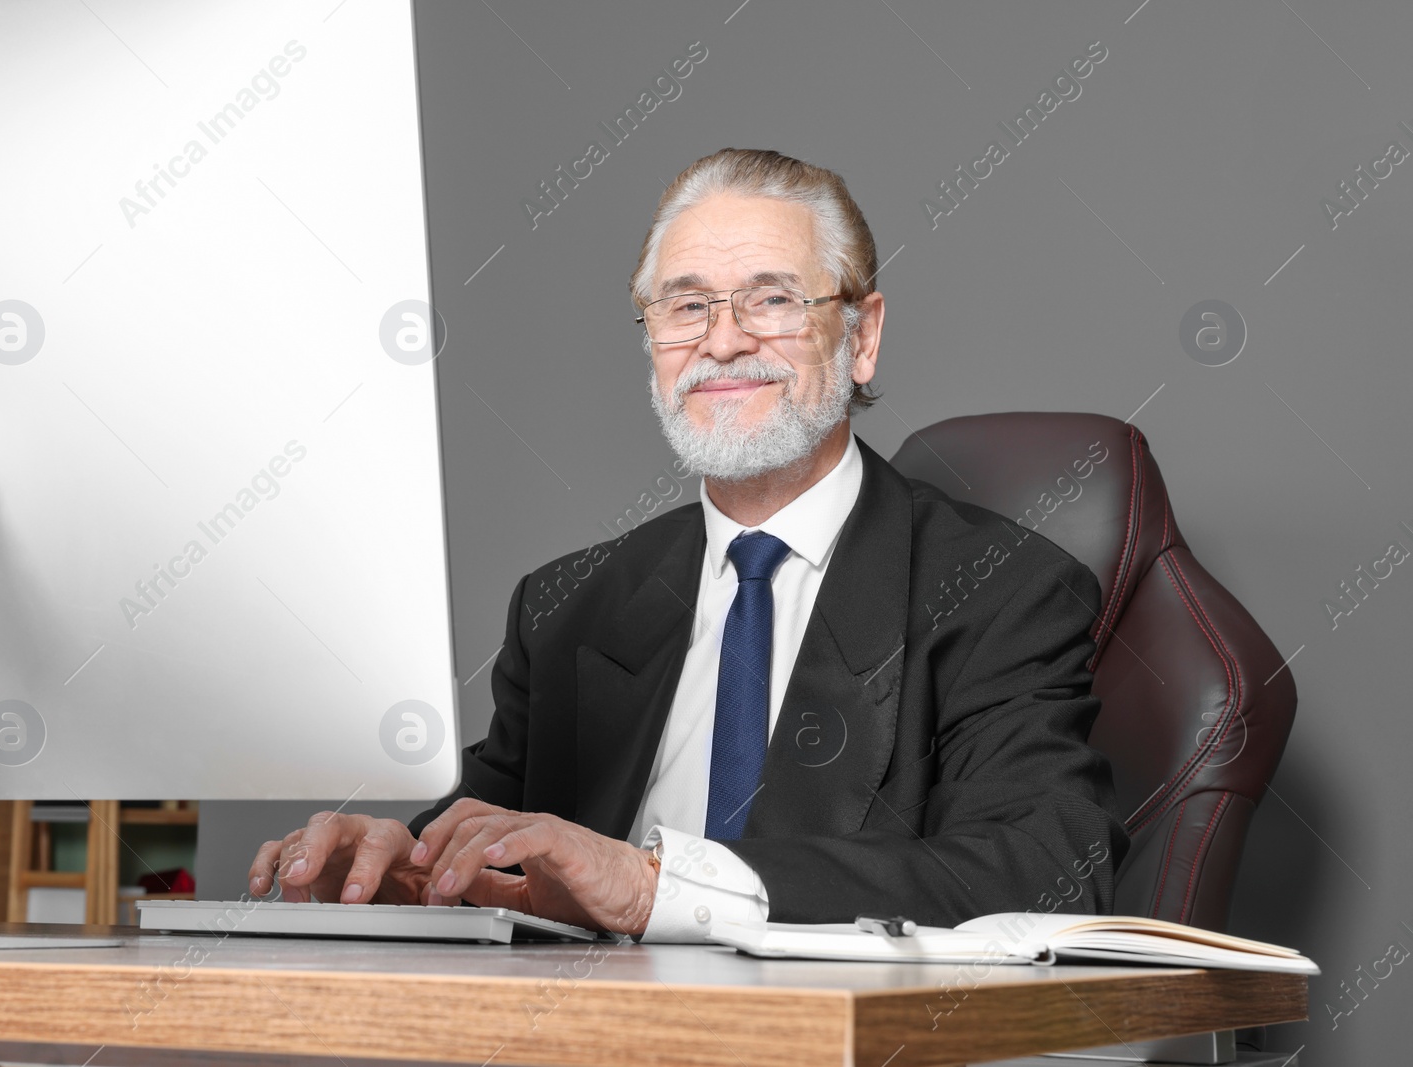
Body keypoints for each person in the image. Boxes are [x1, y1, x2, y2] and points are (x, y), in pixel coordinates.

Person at [249, 148, 1128, 941]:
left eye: (773, 298)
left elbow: (1045, 875)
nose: (723, 339)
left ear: (861, 337)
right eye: (687, 305)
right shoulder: (567, 610)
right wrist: (395, 873)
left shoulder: (1000, 590)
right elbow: (487, 842)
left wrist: (655, 887)